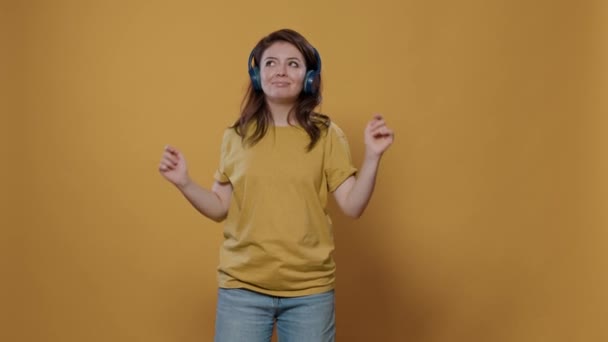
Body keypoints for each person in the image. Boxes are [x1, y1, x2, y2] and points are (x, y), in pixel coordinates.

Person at [158, 28, 394, 342]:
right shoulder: (236, 135)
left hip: (310, 291)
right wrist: (185, 182)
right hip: (242, 288)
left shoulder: (327, 134)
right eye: (271, 63)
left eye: (293, 64)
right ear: (257, 75)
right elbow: (219, 208)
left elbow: (352, 206)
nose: (281, 71)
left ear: (310, 78)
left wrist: (372, 158)